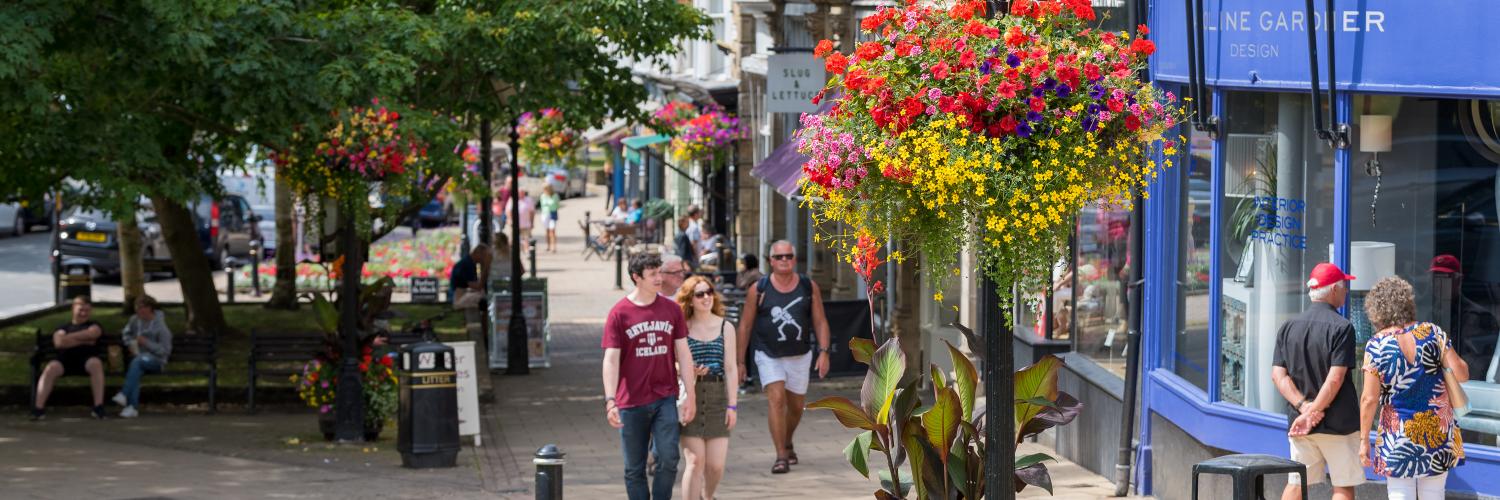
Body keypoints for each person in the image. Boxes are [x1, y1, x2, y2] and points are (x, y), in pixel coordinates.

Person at [1360, 276, 1469, 500]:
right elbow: (1462, 374)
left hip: (1396, 434)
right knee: (1434, 494)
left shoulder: (1376, 345)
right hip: (1437, 430)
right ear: (1408, 303)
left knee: (1400, 494)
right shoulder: (1433, 332)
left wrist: (1363, 441)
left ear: (1376, 310)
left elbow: (1369, 399)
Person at [602, 252, 697, 500]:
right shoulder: (619, 313)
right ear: (637, 277)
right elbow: (611, 359)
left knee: (669, 457)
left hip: (665, 396)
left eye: (659, 272)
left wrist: (691, 395)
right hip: (631, 401)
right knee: (634, 468)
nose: (659, 278)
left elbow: (684, 354)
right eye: (653, 274)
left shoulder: (671, 309)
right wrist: (610, 399)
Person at [1269, 263, 1363, 500]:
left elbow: (1278, 376)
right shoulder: (1343, 328)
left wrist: (1304, 409)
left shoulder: (1288, 327)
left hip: (1300, 424)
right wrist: (1313, 412)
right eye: (1344, 286)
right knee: (1342, 486)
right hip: (1338, 424)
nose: (1346, 291)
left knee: (1296, 483)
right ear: (1333, 290)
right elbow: (1335, 378)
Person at [737, 240, 830, 474]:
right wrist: (739, 362)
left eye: (788, 256)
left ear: (795, 259)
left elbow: (819, 320)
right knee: (776, 399)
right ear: (771, 261)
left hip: (800, 354)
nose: (784, 260)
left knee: (796, 407)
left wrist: (824, 352)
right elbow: (745, 326)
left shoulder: (808, 287)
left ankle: (787, 440)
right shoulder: (759, 289)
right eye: (779, 257)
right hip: (767, 353)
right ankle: (781, 456)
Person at [674, 276, 739, 500]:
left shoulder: (725, 326)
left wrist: (733, 405)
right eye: (699, 294)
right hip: (690, 396)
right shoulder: (681, 328)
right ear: (689, 300)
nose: (706, 297)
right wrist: (685, 369)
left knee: (715, 466)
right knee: (694, 461)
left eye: (709, 292)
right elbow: (672, 363)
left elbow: (731, 369)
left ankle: (707, 496)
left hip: (718, 397)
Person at [32, 295, 108, 420]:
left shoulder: (94, 325)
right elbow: (59, 343)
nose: (83, 313)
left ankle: (98, 407)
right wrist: (85, 340)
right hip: (64, 361)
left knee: (96, 364)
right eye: (81, 310)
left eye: (87, 310)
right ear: (73, 309)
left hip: (86, 361)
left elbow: (94, 333)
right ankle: (38, 409)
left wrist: (69, 338)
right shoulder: (63, 327)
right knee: (50, 368)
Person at [113, 294, 173, 418]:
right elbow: (126, 334)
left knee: (137, 362)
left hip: (157, 361)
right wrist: (130, 343)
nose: (139, 311)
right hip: (138, 359)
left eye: (142, 308)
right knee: (136, 367)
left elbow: (165, 351)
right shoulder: (134, 320)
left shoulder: (160, 326)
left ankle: (124, 394)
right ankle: (132, 408)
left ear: (150, 308)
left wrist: (146, 343)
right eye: (137, 308)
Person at [508, 189, 536, 253]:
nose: (521, 194)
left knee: (526, 239)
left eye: (522, 193)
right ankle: (513, 252)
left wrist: (532, 222)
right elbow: (508, 211)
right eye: (520, 193)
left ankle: (527, 252)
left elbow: (532, 212)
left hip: (525, 224)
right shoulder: (512, 200)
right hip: (515, 224)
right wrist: (510, 219)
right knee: (513, 239)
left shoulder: (528, 200)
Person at [540, 184, 561, 253]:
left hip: (552, 214)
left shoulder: (554, 196)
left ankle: (553, 247)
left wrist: (552, 207)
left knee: (552, 230)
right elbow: (542, 205)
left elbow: (557, 205)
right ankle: (548, 245)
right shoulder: (542, 196)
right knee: (547, 230)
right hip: (545, 214)